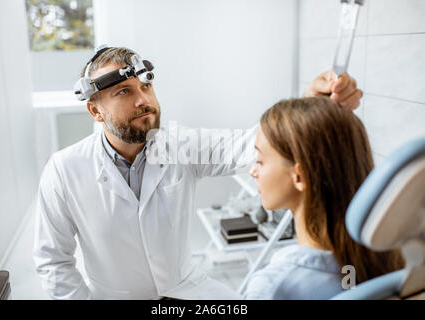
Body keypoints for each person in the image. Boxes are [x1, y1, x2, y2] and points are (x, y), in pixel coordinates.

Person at [33, 46, 363, 299]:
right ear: (95, 110)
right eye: (124, 92)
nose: (143, 100)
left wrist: (308, 103)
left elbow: (250, 144)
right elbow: (54, 262)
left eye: (146, 87)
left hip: (189, 292)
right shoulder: (63, 171)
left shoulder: (180, 145)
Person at [244, 96, 404, 300]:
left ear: (299, 176)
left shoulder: (273, 287)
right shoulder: (388, 257)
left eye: (260, 161)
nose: (253, 171)